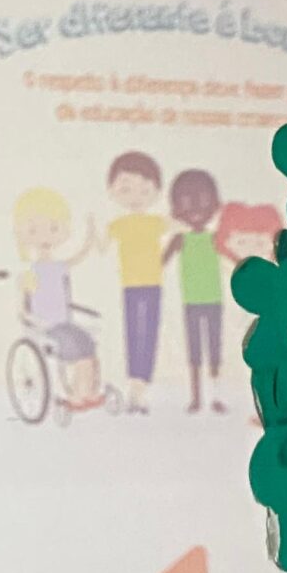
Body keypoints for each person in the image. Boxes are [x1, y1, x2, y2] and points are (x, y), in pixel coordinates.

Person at [10, 188, 104, 412]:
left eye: (53, 228)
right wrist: (27, 317)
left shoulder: (59, 267)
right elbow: (24, 304)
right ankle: (76, 396)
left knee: (89, 348)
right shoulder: (30, 273)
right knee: (80, 355)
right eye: (34, 230)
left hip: (65, 324)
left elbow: (80, 254)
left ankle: (88, 392)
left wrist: (91, 234)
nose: (44, 237)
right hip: (46, 327)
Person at [103, 150, 166, 414]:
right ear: (112, 190)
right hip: (129, 285)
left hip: (153, 284)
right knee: (133, 335)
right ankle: (134, 387)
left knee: (149, 335)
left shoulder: (157, 222)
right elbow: (101, 247)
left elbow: (180, 231)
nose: (136, 196)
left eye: (144, 189)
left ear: (156, 191)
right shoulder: (118, 225)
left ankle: (141, 389)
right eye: (126, 189)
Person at [163, 168, 229, 413]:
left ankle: (216, 397)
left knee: (214, 351)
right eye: (186, 203)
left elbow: (233, 257)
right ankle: (196, 398)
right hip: (191, 301)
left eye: (202, 201)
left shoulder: (215, 238)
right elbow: (160, 263)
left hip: (214, 300)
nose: (195, 210)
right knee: (194, 353)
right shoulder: (180, 239)